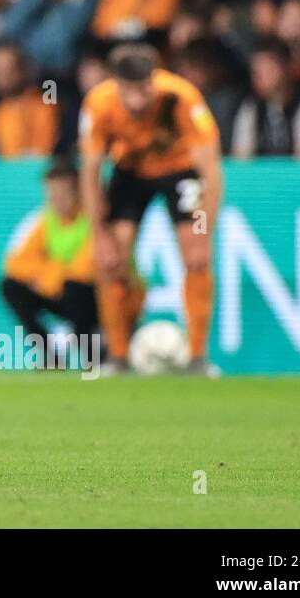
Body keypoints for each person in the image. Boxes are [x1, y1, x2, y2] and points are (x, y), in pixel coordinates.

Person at [78, 43, 223, 373]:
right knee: (110, 260)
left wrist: (205, 228)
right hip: (130, 171)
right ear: (116, 85)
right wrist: (98, 233)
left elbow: (211, 170)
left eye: (144, 89)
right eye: (130, 91)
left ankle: (198, 358)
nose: (138, 100)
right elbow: (89, 172)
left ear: (154, 79)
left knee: (197, 257)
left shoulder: (182, 97)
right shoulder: (98, 104)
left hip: (179, 170)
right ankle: (117, 355)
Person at [0, 158, 107, 367]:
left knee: (75, 288)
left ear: (78, 192)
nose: (57, 201)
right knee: (10, 287)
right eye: (52, 196)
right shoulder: (47, 220)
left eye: (63, 195)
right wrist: (52, 274)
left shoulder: (93, 218)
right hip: (63, 292)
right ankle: (50, 356)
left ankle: (93, 358)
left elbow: (85, 270)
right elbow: (14, 264)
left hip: (95, 298)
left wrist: (46, 276)